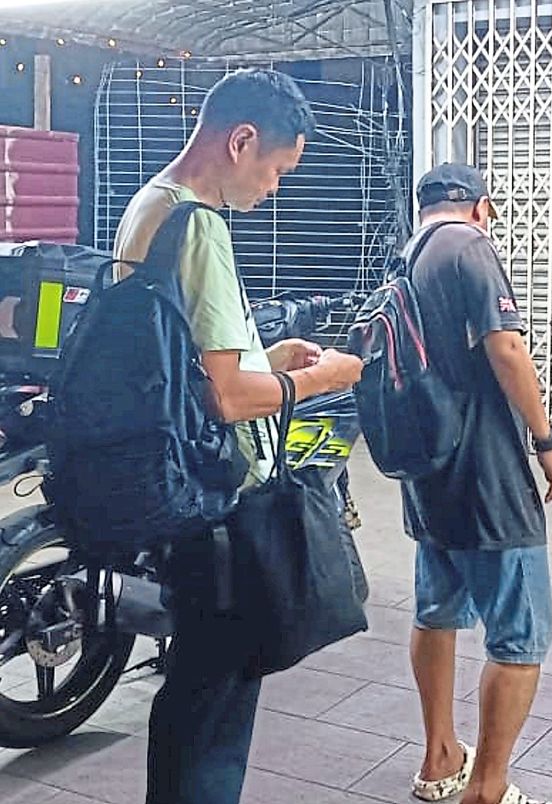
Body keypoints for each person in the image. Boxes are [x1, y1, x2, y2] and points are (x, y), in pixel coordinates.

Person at [112, 69, 363, 804]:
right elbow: (227, 398)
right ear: (242, 139)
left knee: (192, 690)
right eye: (278, 169)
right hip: (214, 501)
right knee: (216, 703)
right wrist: (324, 377)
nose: (276, 188)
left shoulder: (148, 205)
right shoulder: (200, 224)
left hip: (166, 477)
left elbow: (178, 361)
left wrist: (270, 360)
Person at [399, 164, 552, 804]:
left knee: (437, 609)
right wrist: (546, 440)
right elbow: (506, 349)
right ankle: (489, 787)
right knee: (521, 633)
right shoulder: (470, 245)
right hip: (485, 468)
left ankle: (440, 758)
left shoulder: (409, 252)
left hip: (431, 466)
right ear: (484, 207)